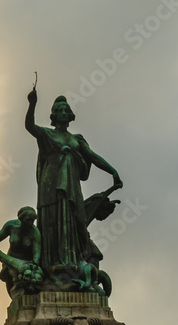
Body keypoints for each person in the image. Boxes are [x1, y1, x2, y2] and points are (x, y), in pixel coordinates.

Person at [25, 88, 121, 275]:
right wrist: (32, 104)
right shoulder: (47, 134)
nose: (62, 113)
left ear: (70, 115)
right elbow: (30, 126)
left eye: (65, 110)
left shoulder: (76, 139)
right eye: (59, 110)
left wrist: (113, 171)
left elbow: (92, 156)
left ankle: (71, 260)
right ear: (53, 115)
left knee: (73, 217)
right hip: (51, 183)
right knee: (52, 218)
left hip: (72, 185)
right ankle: (51, 264)